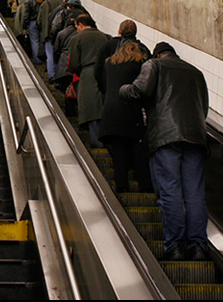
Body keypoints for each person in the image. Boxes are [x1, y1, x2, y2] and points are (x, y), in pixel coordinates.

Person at [119, 42, 210, 262]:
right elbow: (203, 108)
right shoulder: (196, 73)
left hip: (165, 137)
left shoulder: (155, 65)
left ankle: (175, 247)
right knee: (195, 193)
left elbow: (139, 90)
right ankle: (198, 246)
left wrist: (122, 89)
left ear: (158, 54)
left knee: (170, 191)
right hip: (195, 137)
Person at [96, 40, 152, 194]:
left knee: (118, 152)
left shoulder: (109, 64)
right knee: (138, 149)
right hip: (130, 111)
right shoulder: (138, 64)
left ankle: (122, 186)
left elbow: (104, 84)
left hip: (111, 112)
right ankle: (145, 186)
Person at [68, 14, 109, 150]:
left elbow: (74, 63)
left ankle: (96, 143)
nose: (77, 30)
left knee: (90, 107)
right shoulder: (104, 36)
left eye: (77, 27)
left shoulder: (77, 39)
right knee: (102, 106)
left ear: (80, 24)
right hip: (105, 73)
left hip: (87, 73)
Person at [38, 0, 65, 82]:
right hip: (61, 34)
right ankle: (59, 76)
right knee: (59, 55)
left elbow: (39, 19)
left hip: (48, 33)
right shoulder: (63, 4)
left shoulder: (45, 4)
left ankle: (51, 76)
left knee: (49, 55)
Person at [20, 0, 42, 65]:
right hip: (41, 23)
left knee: (34, 42)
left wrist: (24, 27)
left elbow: (26, 16)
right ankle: (42, 58)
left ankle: (37, 60)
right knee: (40, 40)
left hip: (32, 23)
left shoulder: (28, 2)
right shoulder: (43, 1)